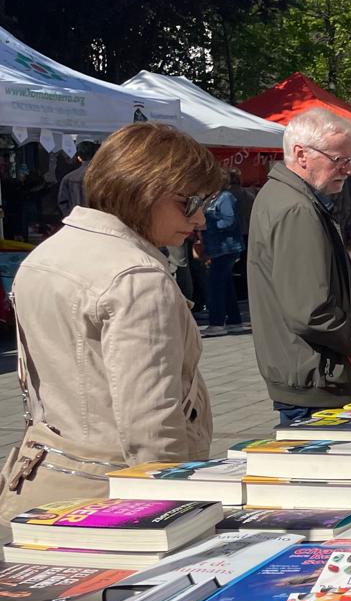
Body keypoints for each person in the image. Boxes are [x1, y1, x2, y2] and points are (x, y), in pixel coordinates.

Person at [1, 123, 222, 520]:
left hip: (44, 481)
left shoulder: (47, 255)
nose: (201, 218)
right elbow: (152, 427)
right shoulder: (136, 277)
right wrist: (177, 513)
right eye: (189, 202)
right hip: (113, 494)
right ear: (144, 190)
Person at [247, 108, 351, 427]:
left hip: (313, 373)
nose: (348, 170)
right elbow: (312, 312)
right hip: (318, 379)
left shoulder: (289, 198)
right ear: (301, 155)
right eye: (339, 160)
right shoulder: (296, 209)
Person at [199, 176, 246, 335]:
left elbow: (229, 220)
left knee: (216, 285)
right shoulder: (212, 199)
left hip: (226, 248)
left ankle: (217, 322)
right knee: (225, 285)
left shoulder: (224, 197)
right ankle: (234, 321)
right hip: (218, 248)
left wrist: (207, 225)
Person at [55, 140, 98, 220]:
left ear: (79, 158)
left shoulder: (68, 178)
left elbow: (62, 202)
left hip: (75, 220)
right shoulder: (105, 178)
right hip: (99, 222)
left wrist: (70, 217)